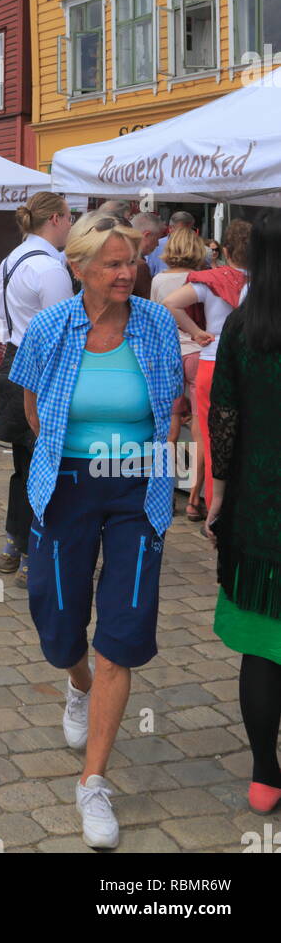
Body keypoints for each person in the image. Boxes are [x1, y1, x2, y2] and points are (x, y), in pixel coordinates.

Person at [9, 210, 182, 849]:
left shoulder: (157, 323)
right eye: (111, 263)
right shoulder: (53, 328)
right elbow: (30, 406)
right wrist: (67, 450)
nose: (125, 272)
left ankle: (93, 782)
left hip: (139, 487)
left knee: (125, 625)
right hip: (68, 485)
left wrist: (160, 460)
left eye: (130, 261)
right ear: (78, 268)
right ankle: (76, 682)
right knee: (56, 621)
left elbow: (169, 406)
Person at [206, 208, 281, 813]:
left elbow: (223, 416)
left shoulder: (243, 325)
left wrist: (219, 497)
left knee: (263, 650)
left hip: (258, 514)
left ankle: (264, 773)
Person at [0, 193, 74, 587]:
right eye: (70, 218)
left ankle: (14, 543)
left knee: (23, 466)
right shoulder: (50, 268)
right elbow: (62, 332)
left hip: (13, 360)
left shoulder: (12, 259)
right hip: (42, 367)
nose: (72, 226)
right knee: (44, 467)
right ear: (56, 219)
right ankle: (31, 553)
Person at [161, 219, 251, 510]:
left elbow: (170, 303)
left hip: (212, 360)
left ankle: (215, 508)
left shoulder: (212, 281)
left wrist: (195, 331)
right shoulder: (265, 282)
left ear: (225, 249)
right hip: (252, 363)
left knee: (213, 440)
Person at [150, 226, 207, 517]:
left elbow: (156, 319)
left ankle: (164, 492)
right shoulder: (200, 280)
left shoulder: (159, 279)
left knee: (169, 431)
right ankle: (195, 499)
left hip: (169, 354)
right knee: (200, 429)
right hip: (198, 353)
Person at [145, 210, 196, 277]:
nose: (186, 234)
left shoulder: (196, 247)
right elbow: (147, 274)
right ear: (170, 229)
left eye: (190, 231)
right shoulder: (156, 245)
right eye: (181, 231)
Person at [129, 212, 163, 298]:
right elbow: (147, 301)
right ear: (146, 235)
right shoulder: (139, 266)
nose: (157, 244)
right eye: (157, 238)